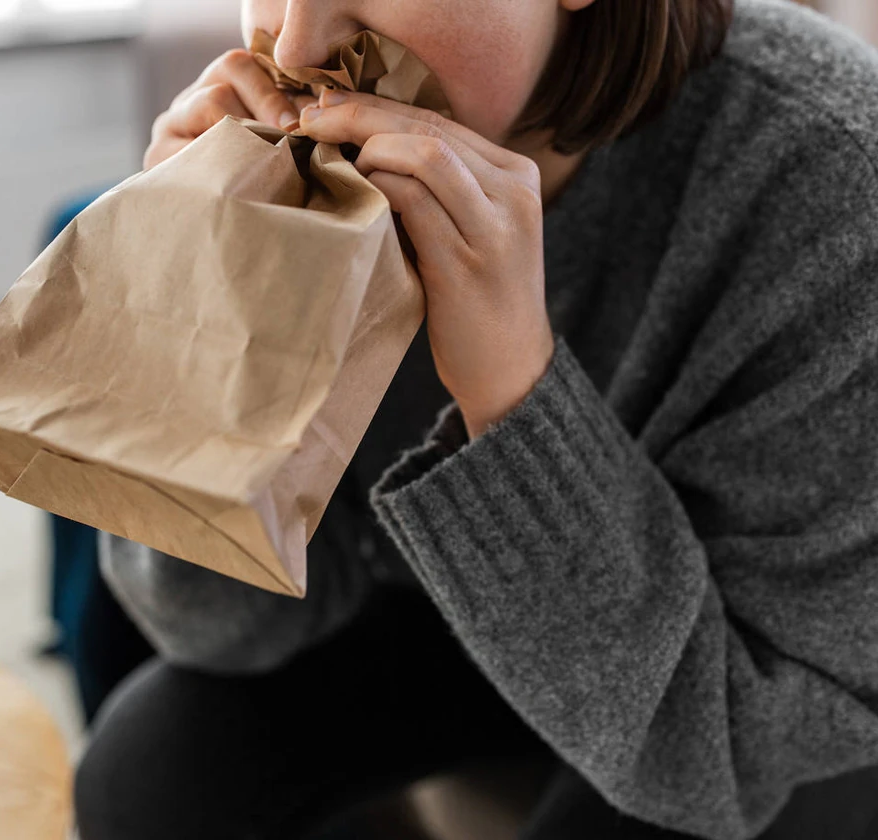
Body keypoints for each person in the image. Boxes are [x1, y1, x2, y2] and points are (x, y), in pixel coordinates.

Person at [74, 0, 878, 837]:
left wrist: (512, 388)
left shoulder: (839, 178)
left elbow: (729, 756)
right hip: (442, 607)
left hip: (757, 672)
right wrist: (192, 325)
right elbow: (224, 632)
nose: (300, 43)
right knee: (145, 773)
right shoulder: (313, 172)